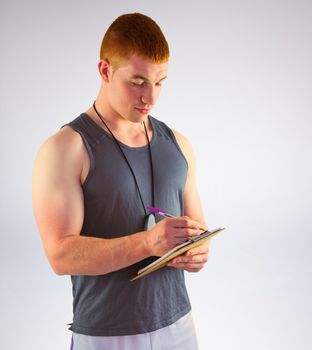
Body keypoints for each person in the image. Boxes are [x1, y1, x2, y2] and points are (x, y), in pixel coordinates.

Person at [32, 12, 210, 350]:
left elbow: (198, 229)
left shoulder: (179, 144)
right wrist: (147, 244)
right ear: (105, 70)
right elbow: (60, 255)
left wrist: (198, 250)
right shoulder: (65, 149)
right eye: (138, 82)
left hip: (179, 325)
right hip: (107, 335)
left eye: (160, 83)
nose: (151, 97)